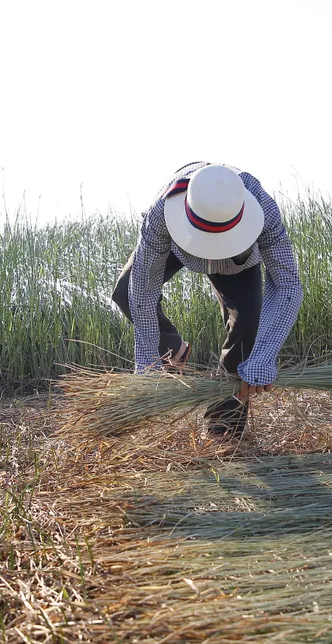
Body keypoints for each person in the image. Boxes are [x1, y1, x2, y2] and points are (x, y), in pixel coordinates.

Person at [112, 161, 303, 438]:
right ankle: (173, 348)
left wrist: (263, 356)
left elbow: (287, 284)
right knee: (125, 290)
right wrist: (148, 361)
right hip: (181, 246)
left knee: (247, 328)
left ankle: (221, 430)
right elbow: (142, 289)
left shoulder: (264, 210)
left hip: (238, 263)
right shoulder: (162, 213)